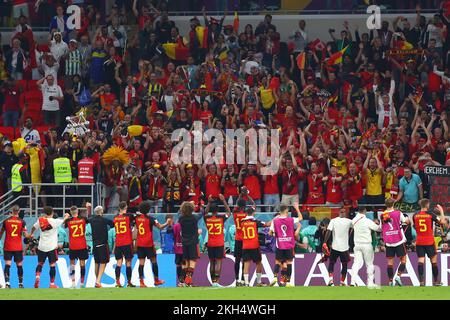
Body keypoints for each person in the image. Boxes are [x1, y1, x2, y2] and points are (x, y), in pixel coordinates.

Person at [29, 206, 70, 288]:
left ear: (45, 213)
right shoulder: (55, 221)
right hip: (51, 247)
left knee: (40, 264)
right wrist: (66, 216)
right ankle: (52, 284)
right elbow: (64, 220)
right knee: (52, 265)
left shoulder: (41, 220)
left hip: (41, 247)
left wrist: (32, 233)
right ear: (52, 212)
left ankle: (37, 277)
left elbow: (34, 227)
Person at [135, 200, 171, 287]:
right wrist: (167, 222)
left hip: (140, 244)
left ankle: (141, 282)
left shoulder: (137, 218)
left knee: (141, 263)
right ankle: (156, 280)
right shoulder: (151, 219)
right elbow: (160, 227)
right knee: (154, 261)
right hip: (148, 244)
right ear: (148, 209)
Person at [413, 199, 445, 286]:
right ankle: (436, 282)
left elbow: (415, 227)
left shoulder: (415, 215)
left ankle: (421, 282)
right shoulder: (431, 214)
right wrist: (441, 211)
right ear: (427, 205)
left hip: (419, 241)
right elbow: (442, 222)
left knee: (421, 261)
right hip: (429, 241)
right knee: (433, 261)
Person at [269, 205, 301, 287]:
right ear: (287, 212)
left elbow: (270, 233)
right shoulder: (291, 219)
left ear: (279, 211)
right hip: (289, 245)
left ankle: (275, 277)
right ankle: (288, 282)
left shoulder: (275, 221)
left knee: (278, 262)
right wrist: (297, 208)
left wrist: (276, 234)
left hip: (279, 245)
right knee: (289, 263)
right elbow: (301, 217)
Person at [381, 198, 410, 286]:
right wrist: (408, 220)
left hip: (389, 241)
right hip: (398, 240)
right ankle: (398, 276)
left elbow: (380, 227)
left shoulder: (383, 215)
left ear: (386, 205)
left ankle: (390, 281)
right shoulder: (398, 213)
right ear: (393, 204)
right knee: (403, 260)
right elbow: (406, 222)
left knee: (390, 262)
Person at [204, 194, 232, 287]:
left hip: (211, 243)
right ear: (218, 210)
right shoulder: (221, 218)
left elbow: (205, 213)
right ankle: (216, 281)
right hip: (219, 243)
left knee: (212, 262)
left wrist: (208, 202)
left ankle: (213, 281)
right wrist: (224, 201)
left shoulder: (207, 218)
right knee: (218, 261)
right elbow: (229, 212)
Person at [350, 206, 381, 287]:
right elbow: (378, 229)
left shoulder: (354, 220)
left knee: (356, 263)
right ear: (365, 211)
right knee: (369, 264)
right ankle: (370, 283)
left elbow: (351, 226)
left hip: (357, 244)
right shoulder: (367, 221)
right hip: (366, 244)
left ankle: (352, 281)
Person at [322, 208, 352, 286]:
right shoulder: (348, 221)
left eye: (343, 212)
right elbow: (328, 231)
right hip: (342, 247)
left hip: (338, 246)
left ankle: (336, 280)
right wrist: (324, 242)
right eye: (342, 212)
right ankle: (336, 281)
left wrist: (325, 242)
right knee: (342, 264)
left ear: (345, 213)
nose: (342, 213)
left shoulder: (335, 221)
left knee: (333, 263)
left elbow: (328, 231)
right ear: (340, 212)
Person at [0, 205, 28, 288]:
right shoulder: (22, 222)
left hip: (8, 246)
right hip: (18, 247)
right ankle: (20, 284)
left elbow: (1, 234)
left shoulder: (6, 221)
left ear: (12, 211)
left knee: (8, 264)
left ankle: (7, 283)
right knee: (19, 265)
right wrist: (30, 237)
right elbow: (25, 235)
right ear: (18, 211)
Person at [64, 205, 90, 288]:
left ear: (71, 212)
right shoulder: (83, 219)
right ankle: (82, 283)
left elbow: (63, 225)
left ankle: (73, 283)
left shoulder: (68, 221)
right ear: (77, 211)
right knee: (82, 264)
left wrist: (65, 217)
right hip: (82, 245)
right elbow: (88, 219)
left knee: (72, 265)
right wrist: (88, 208)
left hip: (73, 246)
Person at [241, 206, 268, 287]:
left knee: (246, 264)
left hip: (245, 245)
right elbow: (266, 224)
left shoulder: (242, 221)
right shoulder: (255, 221)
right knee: (258, 263)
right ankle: (259, 282)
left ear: (246, 213)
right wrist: (276, 219)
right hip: (254, 245)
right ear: (253, 213)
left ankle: (246, 283)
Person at [89, 205, 115, 288]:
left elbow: (87, 218)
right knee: (103, 262)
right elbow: (113, 224)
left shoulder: (92, 220)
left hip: (95, 244)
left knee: (96, 262)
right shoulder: (104, 220)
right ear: (101, 212)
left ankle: (97, 281)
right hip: (103, 244)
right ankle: (98, 281)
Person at [178, 201, 202, 287]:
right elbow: (203, 212)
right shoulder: (195, 217)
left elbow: (178, 212)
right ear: (192, 209)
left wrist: (185, 204)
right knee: (192, 261)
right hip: (193, 242)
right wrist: (200, 205)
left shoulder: (181, 218)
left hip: (184, 242)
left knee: (185, 261)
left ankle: (181, 280)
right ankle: (188, 279)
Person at [113, 201, 136, 287]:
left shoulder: (115, 218)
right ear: (126, 208)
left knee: (119, 263)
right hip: (127, 242)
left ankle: (117, 282)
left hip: (118, 243)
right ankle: (129, 282)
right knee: (128, 262)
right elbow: (135, 217)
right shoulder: (128, 216)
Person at [232, 197, 247, 286]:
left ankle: (237, 279)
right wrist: (247, 196)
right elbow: (254, 205)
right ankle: (242, 279)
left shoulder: (235, 214)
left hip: (237, 239)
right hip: (245, 240)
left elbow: (234, 208)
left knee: (237, 260)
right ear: (244, 206)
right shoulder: (246, 215)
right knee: (245, 260)